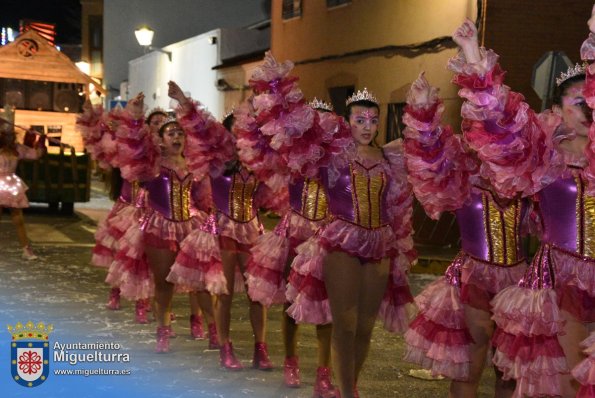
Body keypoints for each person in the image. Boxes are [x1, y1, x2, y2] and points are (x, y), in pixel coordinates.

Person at [450, 16, 595, 397]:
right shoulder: (542, 152)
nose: (584, 108)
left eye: (590, 99)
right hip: (561, 277)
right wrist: (473, 58)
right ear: (559, 106)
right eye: (575, 100)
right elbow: (500, 126)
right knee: (566, 381)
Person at [277, 82, 417, 397]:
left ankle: (348, 386)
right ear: (347, 121)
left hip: (380, 243)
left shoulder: (391, 157)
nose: (366, 127)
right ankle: (347, 392)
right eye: (359, 120)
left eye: (372, 120)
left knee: (365, 328)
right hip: (341, 241)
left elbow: (398, 204)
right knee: (345, 326)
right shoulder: (331, 156)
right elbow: (296, 138)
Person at [402, 72, 528, 398]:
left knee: (510, 373)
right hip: (475, 276)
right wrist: (423, 111)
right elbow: (429, 153)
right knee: (470, 365)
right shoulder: (462, 169)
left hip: (518, 280)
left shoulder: (526, 168)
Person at [166, 80, 288, 371]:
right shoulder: (217, 159)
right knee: (225, 293)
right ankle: (225, 347)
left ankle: (261, 349)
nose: (241, 135)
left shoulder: (259, 163)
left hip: (251, 229)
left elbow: (270, 194)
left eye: (246, 130)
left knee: (258, 294)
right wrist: (183, 100)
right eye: (236, 130)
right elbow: (199, 127)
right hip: (220, 228)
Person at [244, 98, 344, 397]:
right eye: (319, 122)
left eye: (329, 123)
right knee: (291, 304)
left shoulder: (339, 160)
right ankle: (291, 361)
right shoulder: (292, 157)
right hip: (295, 234)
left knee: (326, 307)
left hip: (327, 236)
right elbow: (265, 147)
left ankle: (323, 374)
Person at [115, 92, 224, 352]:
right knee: (164, 284)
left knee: (201, 283)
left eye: (180, 133)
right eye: (170, 133)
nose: (177, 137)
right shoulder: (151, 165)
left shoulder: (194, 164)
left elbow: (203, 197)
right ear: (160, 141)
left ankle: (212, 329)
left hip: (191, 225)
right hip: (160, 226)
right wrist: (135, 115)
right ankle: (163, 331)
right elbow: (133, 144)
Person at [0, 106, 45, 260]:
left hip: (11, 186)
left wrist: (41, 141)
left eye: (10, 134)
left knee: (18, 219)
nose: (8, 137)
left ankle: (26, 249)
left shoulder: (18, 149)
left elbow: (36, 155)